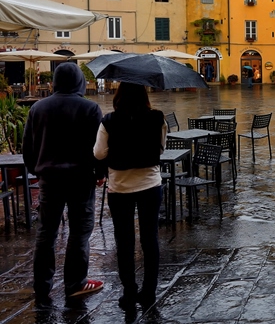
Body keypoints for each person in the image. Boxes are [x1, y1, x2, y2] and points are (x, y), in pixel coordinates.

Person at [22, 63, 106, 305]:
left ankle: (42, 286)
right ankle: (76, 283)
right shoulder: (90, 108)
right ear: (80, 81)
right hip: (81, 179)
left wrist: (37, 171)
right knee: (80, 232)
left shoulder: (38, 108)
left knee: (46, 233)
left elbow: (28, 148)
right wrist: (100, 173)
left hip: (49, 180)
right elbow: (98, 147)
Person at [93, 82, 167, 310]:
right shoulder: (158, 118)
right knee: (150, 239)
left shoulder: (109, 121)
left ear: (119, 95)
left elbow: (99, 153)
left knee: (124, 241)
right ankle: (149, 291)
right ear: (144, 95)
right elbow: (161, 148)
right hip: (150, 184)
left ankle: (129, 291)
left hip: (120, 188)